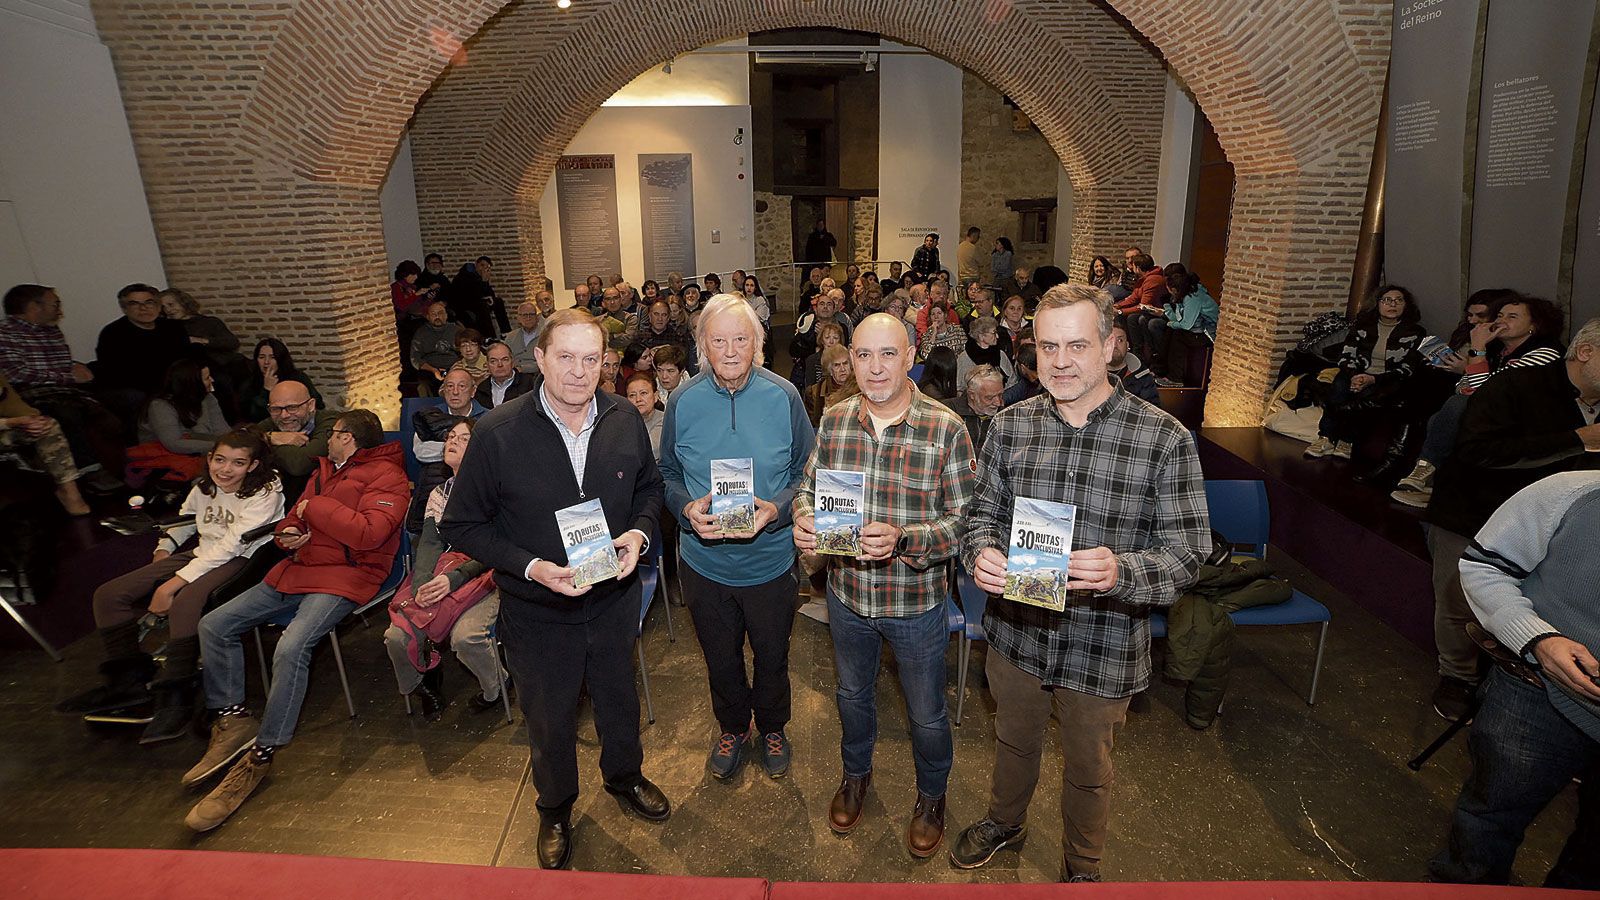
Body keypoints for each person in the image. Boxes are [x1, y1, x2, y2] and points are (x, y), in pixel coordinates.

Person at [952, 282, 1210, 882]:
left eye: (1076, 345)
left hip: (1104, 646)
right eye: (1047, 347)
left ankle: (1082, 867)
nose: (1061, 362)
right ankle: (1006, 822)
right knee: (1013, 745)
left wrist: (1124, 571)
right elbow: (979, 516)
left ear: (1110, 346)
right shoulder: (1011, 426)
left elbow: (1190, 553)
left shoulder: (1164, 439)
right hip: (1017, 634)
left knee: (1089, 769)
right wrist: (982, 552)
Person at [440, 308, 668, 870]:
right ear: (538, 359)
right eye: (565, 358)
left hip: (612, 600)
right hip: (537, 608)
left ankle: (625, 776)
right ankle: (556, 807)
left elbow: (650, 487)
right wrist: (531, 566)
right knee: (549, 714)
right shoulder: (498, 433)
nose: (578, 372)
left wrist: (638, 534)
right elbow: (462, 526)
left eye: (591, 359)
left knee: (618, 698)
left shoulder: (623, 418)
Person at [792, 312, 975, 858]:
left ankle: (932, 796)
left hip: (915, 603)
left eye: (888, 354)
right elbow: (809, 489)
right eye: (864, 355)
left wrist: (904, 538)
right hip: (847, 598)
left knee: (926, 712)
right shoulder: (835, 419)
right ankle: (855, 776)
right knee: (851, 696)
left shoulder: (947, 429)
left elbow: (966, 523)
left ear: (911, 352)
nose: (874, 368)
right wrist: (805, 519)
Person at [182, 410, 405, 832]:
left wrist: (314, 507)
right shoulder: (323, 472)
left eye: (334, 434)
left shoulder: (387, 477)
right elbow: (292, 519)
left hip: (346, 575)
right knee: (214, 624)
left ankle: (261, 753)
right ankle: (232, 718)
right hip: (298, 567)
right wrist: (288, 533)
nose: (326, 441)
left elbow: (368, 535)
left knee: (290, 647)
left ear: (350, 439)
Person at [659, 294, 813, 779]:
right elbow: (665, 472)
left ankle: (772, 727)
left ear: (758, 343)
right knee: (720, 658)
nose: (729, 350)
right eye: (719, 339)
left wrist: (779, 508)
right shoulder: (683, 400)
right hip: (704, 565)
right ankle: (732, 726)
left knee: (772, 655)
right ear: (702, 344)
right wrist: (685, 509)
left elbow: (808, 472)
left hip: (769, 562)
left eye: (740, 339)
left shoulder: (784, 395)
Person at [1420, 317, 1600, 722]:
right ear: (1586, 352)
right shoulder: (1518, 385)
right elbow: (1478, 451)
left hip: (1555, 530)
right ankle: (1457, 677)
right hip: (1473, 511)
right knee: (1459, 600)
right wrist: (1577, 440)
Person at [1427, 471, 1600, 889]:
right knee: (1485, 829)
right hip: (1536, 694)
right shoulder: (1571, 492)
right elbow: (1483, 567)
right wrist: (1538, 639)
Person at [58, 429, 284, 743]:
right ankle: (128, 683)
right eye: (219, 460)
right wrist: (163, 550)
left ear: (253, 465)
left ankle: (177, 694)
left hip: (246, 558)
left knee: (184, 600)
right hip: (204, 553)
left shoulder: (265, 492)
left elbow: (231, 546)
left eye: (237, 463)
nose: (225, 469)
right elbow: (185, 521)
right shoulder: (204, 487)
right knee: (109, 595)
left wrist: (171, 585)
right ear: (209, 459)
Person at [383, 419, 506, 720]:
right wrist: (422, 584)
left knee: (466, 638)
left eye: (463, 438)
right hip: (445, 573)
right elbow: (428, 544)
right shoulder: (440, 494)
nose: (452, 441)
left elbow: (499, 548)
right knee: (395, 638)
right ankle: (422, 681)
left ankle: (496, 688)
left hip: (487, 576)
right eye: (451, 436)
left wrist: (452, 579)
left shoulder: (497, 489)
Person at [1393, 293, 1566, 503]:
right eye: (1500, 315)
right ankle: (1429, 481)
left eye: (1512, 317)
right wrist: (1476, 367)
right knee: (1443, 409)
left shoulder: (1545, 352)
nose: (1501, 321)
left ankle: (1427, 473)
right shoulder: (1497, 350)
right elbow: (1464, 385)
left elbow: (1487, 395)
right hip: (1492, 413)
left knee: (1458, 406)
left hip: (1527, 419)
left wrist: (1478, 349)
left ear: (1535, 325)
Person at [1304, 285, 1427, 461]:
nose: (1392, 304)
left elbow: (1408, 368)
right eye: (1387, 300)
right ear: (1377, 304)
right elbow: (1347, 355)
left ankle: (1347, 441)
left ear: (1406, 305)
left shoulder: (1415, 333)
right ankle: (1326, 437)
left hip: (1387, 378)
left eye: (1398, 300)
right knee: (1339, 386)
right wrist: (1354, 374)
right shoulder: (1363, 326)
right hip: (1357, 372)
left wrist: (1373, 379)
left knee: (1364, 396)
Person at [93, 283, 193, 435]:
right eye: (134, 304)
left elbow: (186, 357)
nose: (144, 308)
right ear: (124, 308)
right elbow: (115, 373)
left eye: (149, 302)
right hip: (137, 385)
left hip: (173, 381)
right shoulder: (113, 334)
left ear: (158, 306)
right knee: (135, 397)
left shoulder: (172, 328)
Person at [0, 372, 89, 515]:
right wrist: (11, 422)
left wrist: (33, 420)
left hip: (4, 429)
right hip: (5, 425)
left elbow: (12, 403)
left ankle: (70, 493)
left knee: (48, 426)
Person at [130, 359, 231, 480]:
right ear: (192, 383)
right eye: (207, 378)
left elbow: (223, 431)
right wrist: (221, 447)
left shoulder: (208, 399)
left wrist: (235, 443)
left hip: (206, 452)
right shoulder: (160, 406)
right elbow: (174, 443)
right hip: (168, 460)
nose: (212, 380)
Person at [253, 379, 336, 500]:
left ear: (311, 405)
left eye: (292, 407)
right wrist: (270, 437)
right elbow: (240, 439)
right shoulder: (273, 423)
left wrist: (265, 442)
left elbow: (299, 464)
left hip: (317, 499)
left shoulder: (330, 422)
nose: (284, 415)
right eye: (276, 409)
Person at [1153, 265, 1219, 387]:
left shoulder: (1193, 297)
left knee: (1178, 335)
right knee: (1171, 330)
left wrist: (1171, 323)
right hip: (1197, 329)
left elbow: (1186, 325)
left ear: (1174, 289)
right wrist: (1167, 307)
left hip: (1209, 333)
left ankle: (1175, 378)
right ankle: (1161, 370)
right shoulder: (1182, 295)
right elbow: (1177, 319)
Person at [944, 363, 1005, 452]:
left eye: (1000, 395)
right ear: (972, 395)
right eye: (989, 398)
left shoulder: (1003, 416)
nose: (998, 403)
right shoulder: (949, 412)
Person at [409, 301, 462, 395]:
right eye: (433, 314)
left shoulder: (456, 330)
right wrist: (433, 370)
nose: (437, 317)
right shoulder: (421, 333)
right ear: (428, 317)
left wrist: (456, 367)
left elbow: (464, 352)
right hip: (429, 371)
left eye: (440, 313)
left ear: (446, 315)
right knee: (424, 386)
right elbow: (415, 358)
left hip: (454, 368)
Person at [392, 260, 431, 380]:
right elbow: (401, 305)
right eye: (412, 274)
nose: (415, 277)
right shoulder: (397, 287)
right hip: (404, 324)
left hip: (416, 320)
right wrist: (416, 295)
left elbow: (417, 305)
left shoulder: (411, 288)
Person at [449, 256, 506, 336]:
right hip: (463, 304)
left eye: (487, 267)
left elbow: (487, 293)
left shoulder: (481, 277)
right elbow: (470, 294)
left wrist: (490, 297)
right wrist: (483, 282)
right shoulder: (464, 275)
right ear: (476, 264)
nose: (483, 269)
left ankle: (505, 332)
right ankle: (490, 336)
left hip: (476, 301)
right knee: (483, 305)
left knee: (498, 301)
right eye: (482, 265)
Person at [805, 343, 859, 428]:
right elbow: (813, 425)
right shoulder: (815, 392)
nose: (842, 369)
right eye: (837, 365)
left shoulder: (860, 387)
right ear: (829, 370)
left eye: (845, 363)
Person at [1108, 318, 1160, 404]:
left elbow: (1152, 412)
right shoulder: (1091, 376)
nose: (1114, 345)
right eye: (1110, 340)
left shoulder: (1143, 377)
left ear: (1127, 346)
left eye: (1120, 340)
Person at [957, 317, 1016, 389]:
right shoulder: (965, 358)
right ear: (981, 336)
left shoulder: (1000, 354)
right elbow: (960, 388)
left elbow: (1012, 381)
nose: (997, 336)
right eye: (994, 333)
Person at [477, 340, 537, 409]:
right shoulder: (481, 389)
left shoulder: (530, 383)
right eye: (493, 361)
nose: (500, 364)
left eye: (505, 359)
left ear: (513, 362)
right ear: (487, 365)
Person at [625, 373, 665, 459]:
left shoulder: (666, 421)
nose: (638, 399)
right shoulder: (621, 424)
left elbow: (652, 451)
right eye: (632, 395)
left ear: (656, 396)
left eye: (643, 393)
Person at [506, 300, 544, 373]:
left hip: (536, 375)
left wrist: (523, 368)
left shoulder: (544, 335)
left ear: (537, 317)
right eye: (524, 315)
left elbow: (546, 361)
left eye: (531, 314)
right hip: (513, 375)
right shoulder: (510, 336)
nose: (528, 318)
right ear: (518, 318)